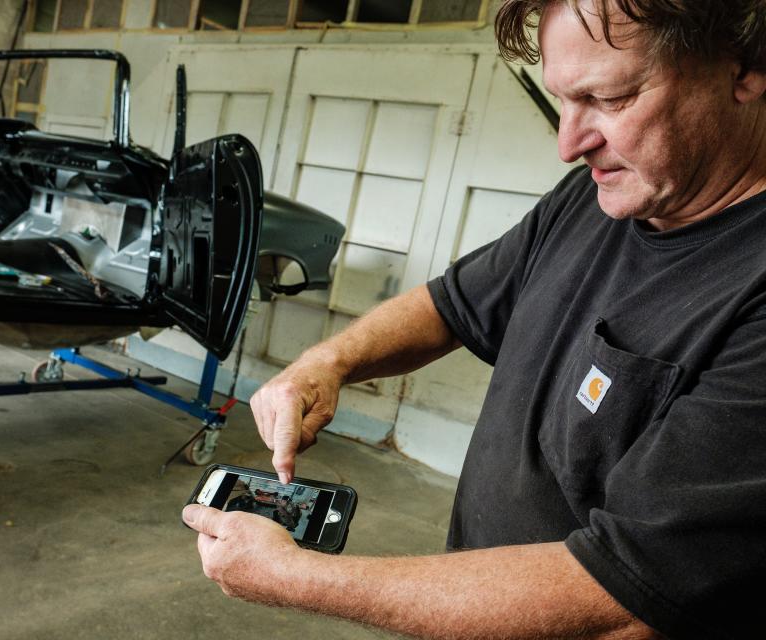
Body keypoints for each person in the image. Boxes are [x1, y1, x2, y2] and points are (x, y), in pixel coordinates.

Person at [183, 1, 766, 637]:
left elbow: (622, 598)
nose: (570, 143)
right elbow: (450, 306)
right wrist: (326, 362)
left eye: (611, 97)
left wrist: (294, 576)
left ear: (745, 69)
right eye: (563, 99)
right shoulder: (595, 197)